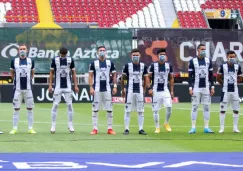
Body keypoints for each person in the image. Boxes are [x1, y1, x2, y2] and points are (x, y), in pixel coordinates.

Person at [48, 47, 79, 133]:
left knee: (69, 105)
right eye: (62, 55)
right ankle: (53, 125)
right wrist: (50, 85)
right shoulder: (55, 60)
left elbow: (73, 73)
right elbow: (51, 73)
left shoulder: (70, 60)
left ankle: (70, 124)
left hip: (68, 87)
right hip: (57, 87)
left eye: (65, 55)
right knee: (55, 105)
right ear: (60, 53)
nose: (63, 56)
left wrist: (76, 85)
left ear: (67, 54)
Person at [89, 46, 117, 135]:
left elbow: (114, 75)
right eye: (100, 50)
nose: (102, 52)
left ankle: (110, 128)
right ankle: (95, 128)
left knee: (109, 109)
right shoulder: (93, 63)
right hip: (97, 89)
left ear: (106, 52)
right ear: (97, 52)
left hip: (107, 89)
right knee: (95, 109)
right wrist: (90, 87)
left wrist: (115, 86)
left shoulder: (110, 63)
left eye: (103, 50)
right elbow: (90, 76)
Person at [188, 44, 215, 134]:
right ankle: (193, 128)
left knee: (206, 107)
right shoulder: (192, 61)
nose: (204, 51)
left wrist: (212, 87)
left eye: (205, 49)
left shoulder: (208, 61)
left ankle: (206, 127)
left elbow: (211, 75)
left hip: (206, 87)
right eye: (202, 49)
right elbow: (190, 76)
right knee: (194, 107)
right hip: (196, 87)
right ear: (198, 50)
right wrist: (190, 87)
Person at [121, 48, 148, 135]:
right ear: (131, 56)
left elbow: (145, 79)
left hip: (139, 91)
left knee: (141, 110)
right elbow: (123, 79)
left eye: (137, 55)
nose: (135, 57)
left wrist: (144, 90)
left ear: (140, 56)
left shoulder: (144, 66)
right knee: (127, 110)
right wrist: (123, 89)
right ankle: (126, 129)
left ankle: (141, 129)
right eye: (134, 55)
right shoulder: (127, 66)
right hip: (130, 91)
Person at [9, 44, 35, 134]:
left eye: (24, 49)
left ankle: (30, 128)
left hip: (28, 89)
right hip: (17, 89)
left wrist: (29, 81)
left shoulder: (31, 61)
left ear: (27, 50)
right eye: (21, 49)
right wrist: (16, 81)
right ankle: (14, 128)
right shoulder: (14, 61)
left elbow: (32, 73)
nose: (22, 50)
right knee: (16, 109)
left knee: (30, 109)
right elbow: (12, 73)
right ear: (18, 51)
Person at [148, 48, 174, 133]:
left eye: (164, 55)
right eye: (160, 55)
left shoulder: (169, 66)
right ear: (157, 56)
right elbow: (148, 77)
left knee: (169, 107)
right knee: (155, 110)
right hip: (156, 90)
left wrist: (172, 91)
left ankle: (166, 123)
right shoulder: (153, 65)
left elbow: (171, 78)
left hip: (165, 90)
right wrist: (150, 88)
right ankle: (157, 127)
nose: (162, 56)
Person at [217, 50, 242, 133]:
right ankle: (222, 128)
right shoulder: (222, 66)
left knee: (236, 110)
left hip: (235, 91)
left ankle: (235, 128)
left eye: (233, 57)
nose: (232, 58)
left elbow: (240, 77)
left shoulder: (237, 66)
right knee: (223, 109)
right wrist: (223, 84)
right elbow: (218, 77)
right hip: (225, 91)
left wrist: (236, 83)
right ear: (227, 57)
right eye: (231, 57)